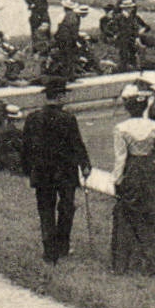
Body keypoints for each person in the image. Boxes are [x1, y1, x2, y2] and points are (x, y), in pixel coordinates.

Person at [21, 76, 91, 264]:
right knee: (66, 208)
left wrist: (27, 170)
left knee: (46, 209)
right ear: (60, 96)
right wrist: (85, 165)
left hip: (42, 171)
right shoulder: (68, 118)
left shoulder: (33, 118)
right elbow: (77, 144)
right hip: (65, 172)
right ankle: (62, 246)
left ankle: (49, 250)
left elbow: (25, 147)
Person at [109, 89, 155, 275]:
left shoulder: (121, 128)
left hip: (131, 169)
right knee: (152, 213)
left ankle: (126, 262)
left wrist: (117, 179)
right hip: (148, 170)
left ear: (128, 108)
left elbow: (120, 158)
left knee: (127, 213)